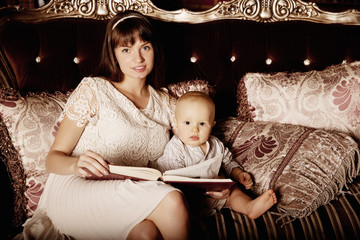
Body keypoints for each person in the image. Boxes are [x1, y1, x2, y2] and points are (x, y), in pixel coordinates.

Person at [22, 11, 190, 240]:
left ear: (155, 50)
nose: (138, 58)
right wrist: (76, 164)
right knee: (172, 200)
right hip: (76, 188)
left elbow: (193, 148)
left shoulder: (167, 103)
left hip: (129, 192)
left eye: (145, 47)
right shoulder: (94, 90)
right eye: (126, 49)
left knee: (146, 233)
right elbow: (53, 158)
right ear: (114, 55)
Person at [153, 91, 277, 219]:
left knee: (234, 190)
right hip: (188, 196)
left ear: (212, 125)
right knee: (177, 197)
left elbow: (228, 162)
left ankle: (249, 207)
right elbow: (173, 179)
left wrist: (239, 173)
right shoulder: (176, 148)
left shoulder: (215, 144)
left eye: (202, 124)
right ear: (176, 123)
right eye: (187, 123)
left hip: (218, 193)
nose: (195, 129)